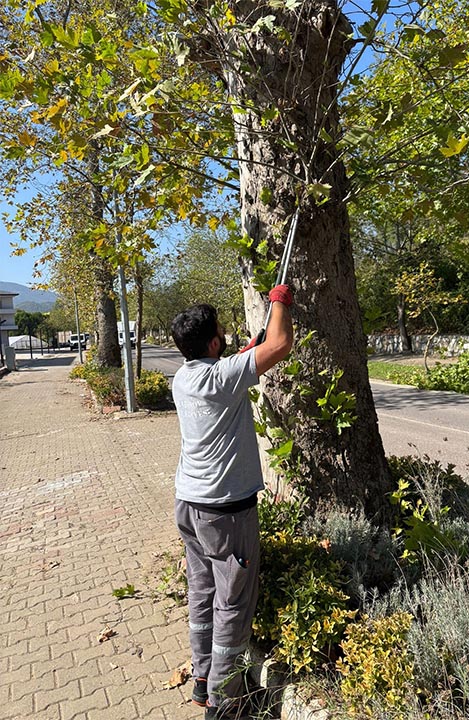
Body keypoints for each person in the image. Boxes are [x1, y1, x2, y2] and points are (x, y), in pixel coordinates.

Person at [170, 285, 294, 719]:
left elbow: (231, 365)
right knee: (232, 605)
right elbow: (279, 344)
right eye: (220, 332)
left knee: (202, 594)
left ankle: (203, 680)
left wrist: (245, 352)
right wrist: (280, 300)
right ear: (214, 343)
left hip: (189, 505)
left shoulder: (184, 378)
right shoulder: (224, 375)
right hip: (225, 513)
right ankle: (226, 706)